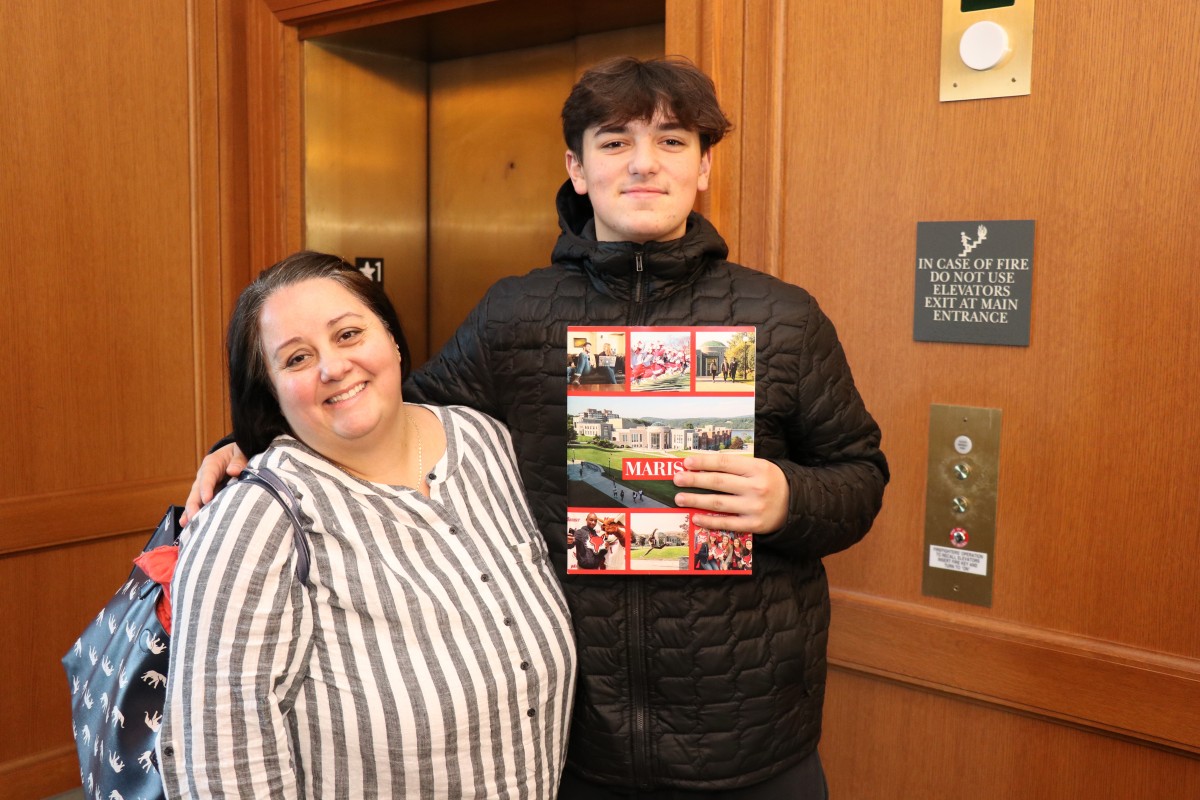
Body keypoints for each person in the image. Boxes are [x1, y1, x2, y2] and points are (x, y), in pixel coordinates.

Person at [186, 56, 887, 797]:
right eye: (615, 142)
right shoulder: (514, 316)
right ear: (577, 170)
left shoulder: (784, 317)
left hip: (753, 737)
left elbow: (859, 473)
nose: (644, 163)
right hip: (577, 744)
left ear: (704, 166)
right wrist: (255, 444)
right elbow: (387, 418)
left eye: (672, 141)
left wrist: (789, 500)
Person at [161, 252, 576, 799]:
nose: (332, 368)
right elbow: (219, 768)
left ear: (393, 339)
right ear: (272, 393)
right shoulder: (253, 524)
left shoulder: (485, 443)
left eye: (349, 334)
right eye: (297, 359)